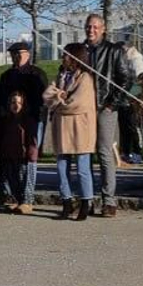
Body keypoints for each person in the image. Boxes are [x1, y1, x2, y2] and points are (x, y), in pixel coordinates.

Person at [83, 14, 133, 216]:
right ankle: (86, 198)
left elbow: (126, 78)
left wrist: (112, 102)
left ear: (103, 29)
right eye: (88, 27)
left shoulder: (113, 50)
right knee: (84, 153)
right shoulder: (81, 50)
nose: (91, 30)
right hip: (84, 108)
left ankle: (108, 200)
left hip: (105, 106)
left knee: (104, 152)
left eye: (95, 27)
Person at [45, 42, 96, 221]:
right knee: (61, 167)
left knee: (83, 168)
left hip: (80, 129)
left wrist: (58, 101)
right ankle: (66, 201)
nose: (63, 58)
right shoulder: (60, 76)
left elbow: (78, 103)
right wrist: (60, 97)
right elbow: (47, 96)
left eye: (66, 55)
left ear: (76, 57)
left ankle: (85, 202)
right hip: (61, 129)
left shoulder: (85, 78)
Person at [0, 42, 49, 206]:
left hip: (32, 120)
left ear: (28, 54)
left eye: (20, 53)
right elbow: (0, 99)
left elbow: (43, 100)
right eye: (13, 54)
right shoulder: (6, 76)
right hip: (11, 122)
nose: (16, 57)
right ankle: (15, 196)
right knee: (11, 158)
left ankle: (27, 198)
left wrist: (36, 118)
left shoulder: (37, 74)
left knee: (29, 158)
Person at [0, 89, 39, 214]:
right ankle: (16, 200)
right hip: (9, 154)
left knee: (26, 178)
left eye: (19, 103)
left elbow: (32, 140)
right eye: (13, 102)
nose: (16, 105)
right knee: (13, 179)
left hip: (25, 155)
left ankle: (27, 201)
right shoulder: (6, 120)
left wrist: (31, 154)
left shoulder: (28, 120)